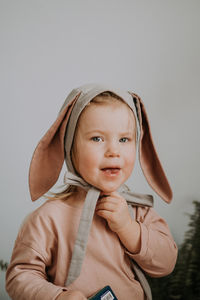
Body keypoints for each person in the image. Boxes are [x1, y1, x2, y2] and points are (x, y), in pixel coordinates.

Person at [6, 84, 178, 300]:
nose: (113, 151)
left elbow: (166, 263)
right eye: (97, 138)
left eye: (124, 139)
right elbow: (19, 277)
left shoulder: (137, 211)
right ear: (70, 146)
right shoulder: (48, 218)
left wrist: (128, 228)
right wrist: (57, 297)